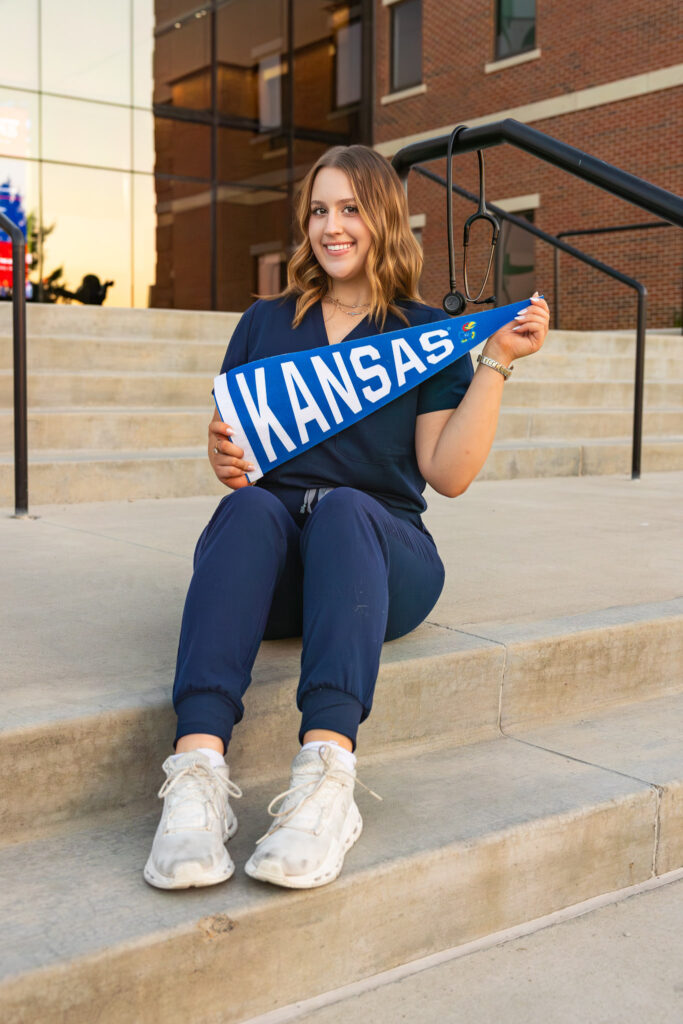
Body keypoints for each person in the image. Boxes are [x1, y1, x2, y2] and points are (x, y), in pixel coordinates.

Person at [144, 144, 549, 891]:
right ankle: (196, 780)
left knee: (343, 509)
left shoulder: (426, 332)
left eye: (351, 209)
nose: (332, 227)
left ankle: (326, 784)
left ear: (384, 219)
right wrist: (222, 457)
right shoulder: (264, 323)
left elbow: (447, 474)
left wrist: (493, 363)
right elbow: (236, 452)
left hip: (377, 554)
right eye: (320, 211)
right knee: (246, 510)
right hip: (276, 563)